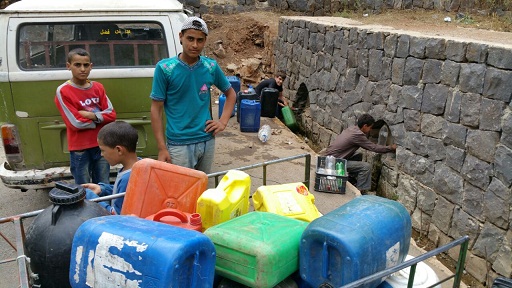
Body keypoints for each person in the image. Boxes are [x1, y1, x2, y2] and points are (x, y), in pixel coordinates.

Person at [150, 16, 236, 174]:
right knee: (181, 191)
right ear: (180, 37)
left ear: (205, 41)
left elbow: (230, 94)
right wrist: (162, 148)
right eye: (190, 38)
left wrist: (222, 122)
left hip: (207, 140)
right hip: (178, 143)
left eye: (200, 40)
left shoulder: (210, 66)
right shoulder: (165, 69)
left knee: (201, 187)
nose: (195, 45)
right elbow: (156, 109)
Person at [55, 48, 117, 185]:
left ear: (91, 66)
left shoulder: (98, 87)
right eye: (77, 65)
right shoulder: (63, 91)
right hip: (79, 149)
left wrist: (91, 115)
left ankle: (103, 207)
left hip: (101, 146)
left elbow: (112, 115)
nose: (82, 69)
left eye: (86, 65)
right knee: (83, 188)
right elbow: (76, 123)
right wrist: (101, 120)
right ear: (68, 66)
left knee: (103, 185)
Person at [324, 114, 397, 194]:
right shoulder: (358, 135)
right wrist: (390, 148)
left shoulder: (352, 129)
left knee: (358, 155)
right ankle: (360, 191)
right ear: (365, 126)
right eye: (370, 127)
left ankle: (351, 179)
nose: (370, 130)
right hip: (334, 163)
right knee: (366, 167)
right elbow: (374, 148)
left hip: (328, 158)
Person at [82, 121, 139, 215]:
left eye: (103, 150)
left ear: (119, 150)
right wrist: (102, 189)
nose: (101, 154)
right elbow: (126, 192)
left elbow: (116, 215)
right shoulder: (137, 166)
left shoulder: (128, 178)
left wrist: (91, 197)